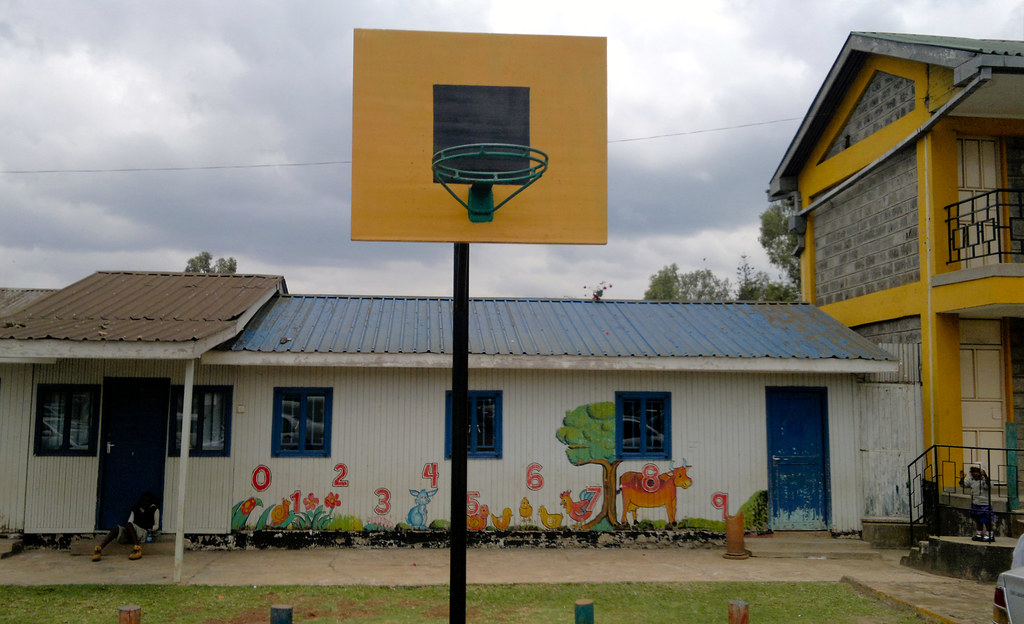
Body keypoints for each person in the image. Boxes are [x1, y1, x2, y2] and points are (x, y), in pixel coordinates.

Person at [92, 492, 160, 561]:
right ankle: (99, 548)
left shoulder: (154, 510)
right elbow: (130, 521)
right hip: (132, 532)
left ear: (151, 502)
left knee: (129, 525)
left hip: (143, 532)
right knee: (117, 528)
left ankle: (137, 548)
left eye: (147, 501)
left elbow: (156, 526)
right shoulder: (135, 509)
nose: (144, 503)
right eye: (143, 500)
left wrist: (149, 528)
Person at [960, 464, 994, 542]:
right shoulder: (971, 480)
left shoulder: (984, 480)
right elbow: (964, 485)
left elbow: (989, 485)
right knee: (978, 519)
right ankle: (979, 533)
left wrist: (985, 477)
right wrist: (962, 478)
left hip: (984, 504)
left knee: (986, 520)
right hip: (975, 503)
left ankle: (989, 534)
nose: (975, 474)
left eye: (977, 472)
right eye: (973, 472)